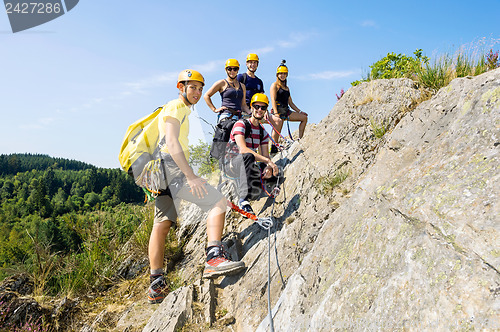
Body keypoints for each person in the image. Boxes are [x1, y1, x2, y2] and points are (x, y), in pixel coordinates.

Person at [147, 69, 245, 304]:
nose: (198, 92)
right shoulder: (176, 107)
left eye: (201, 88)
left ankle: (156, 284)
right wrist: (190, 175)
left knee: (161, 224)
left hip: (160, 172)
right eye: (193, 87)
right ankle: (213, 258)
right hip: (172, 169)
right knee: (218, 203)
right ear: (180, 87)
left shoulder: (178, 109)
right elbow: (171, 142)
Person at [224, 93, 279, 214]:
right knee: (248, 155)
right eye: (257, 106)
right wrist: (267, 161)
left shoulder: (262, 132)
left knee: (274, 172)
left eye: (263, 107)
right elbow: (242, 149)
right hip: (233, 164)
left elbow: (265, 155)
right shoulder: (241, 124)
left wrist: (268, 167)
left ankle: (265, 184)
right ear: (251, 107)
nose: (259, 110)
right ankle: (243, 200)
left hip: (248, 164)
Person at [268, 60, 308, 153]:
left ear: (287, 75)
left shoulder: (286, 88)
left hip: (286, 111)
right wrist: (276, 113)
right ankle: (274, 148)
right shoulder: (275, 85)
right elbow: (273, 99)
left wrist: (299, 111)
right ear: (277, 74)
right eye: (280, 73)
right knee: (277, 130)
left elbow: (291, 103)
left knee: (304, 118)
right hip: (277, 111)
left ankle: (300, 139)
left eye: (284, 74)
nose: (282, 75)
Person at [204, 59, 250, 123]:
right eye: (229, 69)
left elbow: (243, 105)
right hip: (226, 116)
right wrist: (214, 109)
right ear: (226, 70)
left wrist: (251, 113)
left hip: (239, 117)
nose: (232, 71)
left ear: (238, 70)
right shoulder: (222, 83)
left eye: (235, 69)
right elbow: (206, 96)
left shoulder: (242, 86)